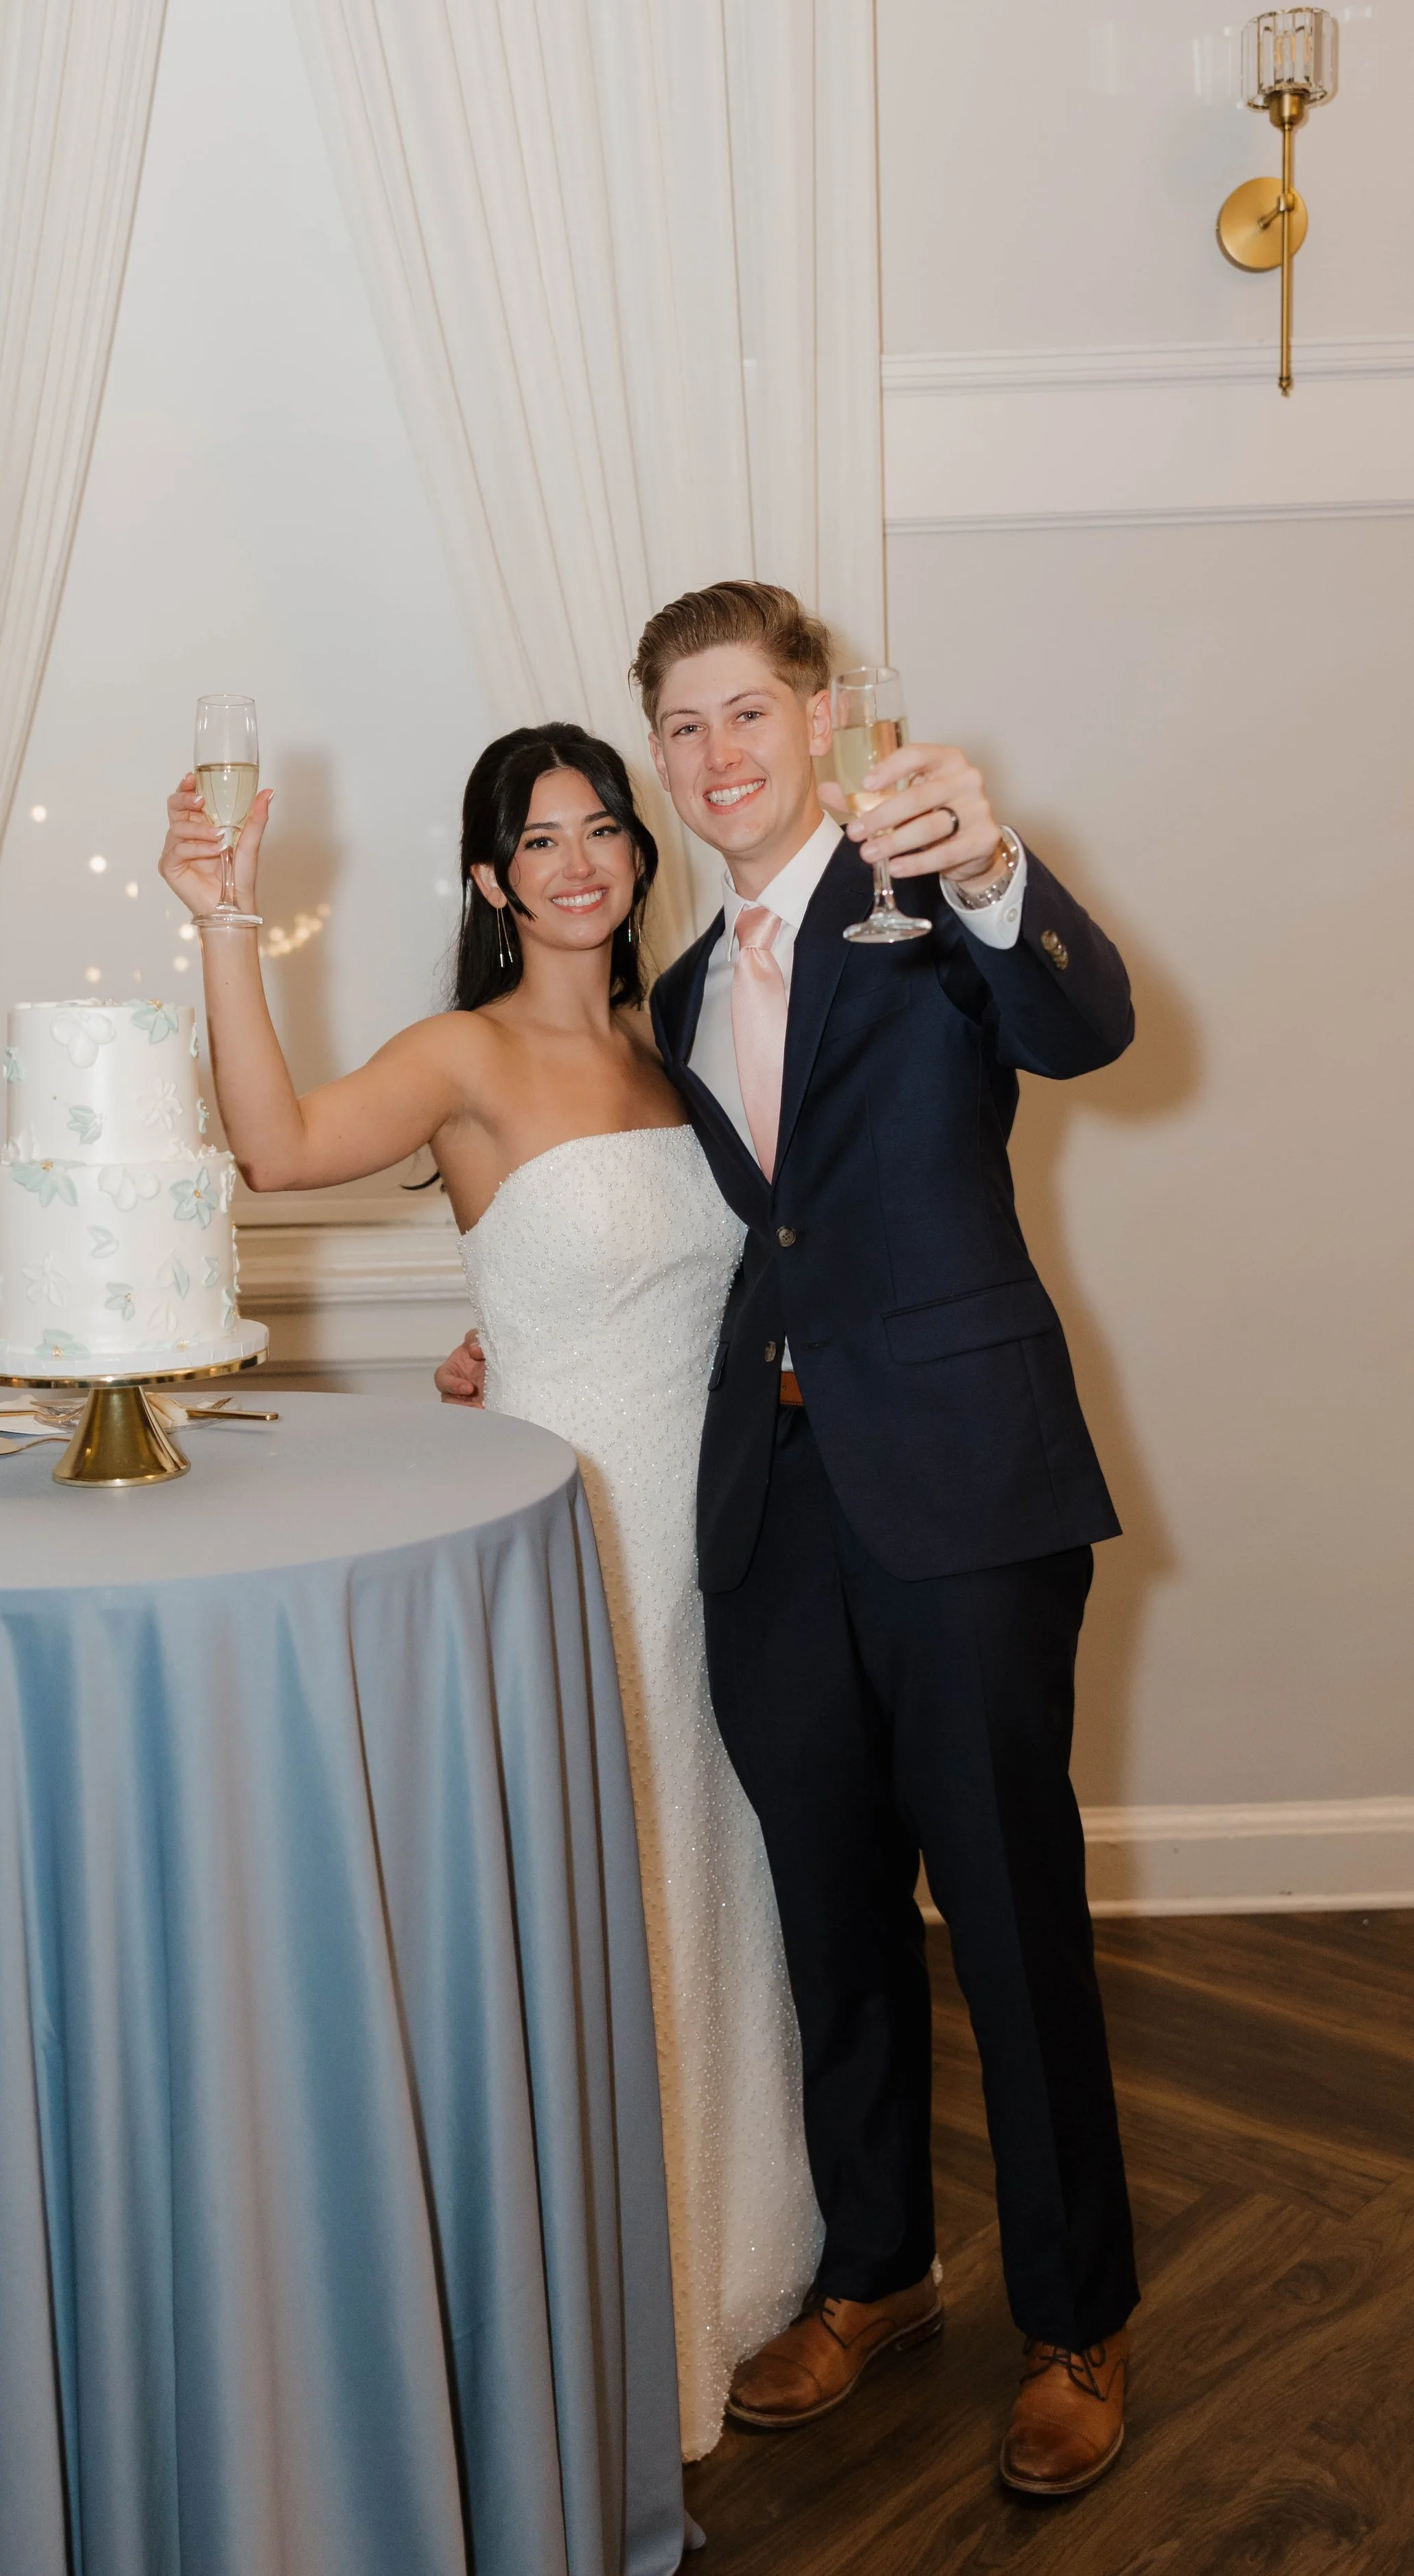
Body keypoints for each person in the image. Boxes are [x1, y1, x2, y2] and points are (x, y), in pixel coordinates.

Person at [439, 582, 1139, 2498]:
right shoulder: (672, 993)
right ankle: (875, 2264)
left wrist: (996, 858)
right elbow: (734, 1234)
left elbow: (1083, 1023)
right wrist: (508, 1307)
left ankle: (1075, 2319)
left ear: (819, 716)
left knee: (1003, 1908)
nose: (715, 754)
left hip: (964, 1488)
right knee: (821, 1904)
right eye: (680, 725)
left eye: (745, 711)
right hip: (759, 1501)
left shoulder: (922, 885)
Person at [157, 721, 821, 2461]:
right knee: (597, 1908)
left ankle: (744, 2258)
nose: (578, 859)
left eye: (602, 826)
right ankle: (592, 2315)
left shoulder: (678, 1035)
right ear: (489, 879)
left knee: (721, 1885)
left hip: (731, 1541)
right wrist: (223, 920)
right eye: (538, 839)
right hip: (576, 1543)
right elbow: (279, 1148)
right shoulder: (459, 1053)